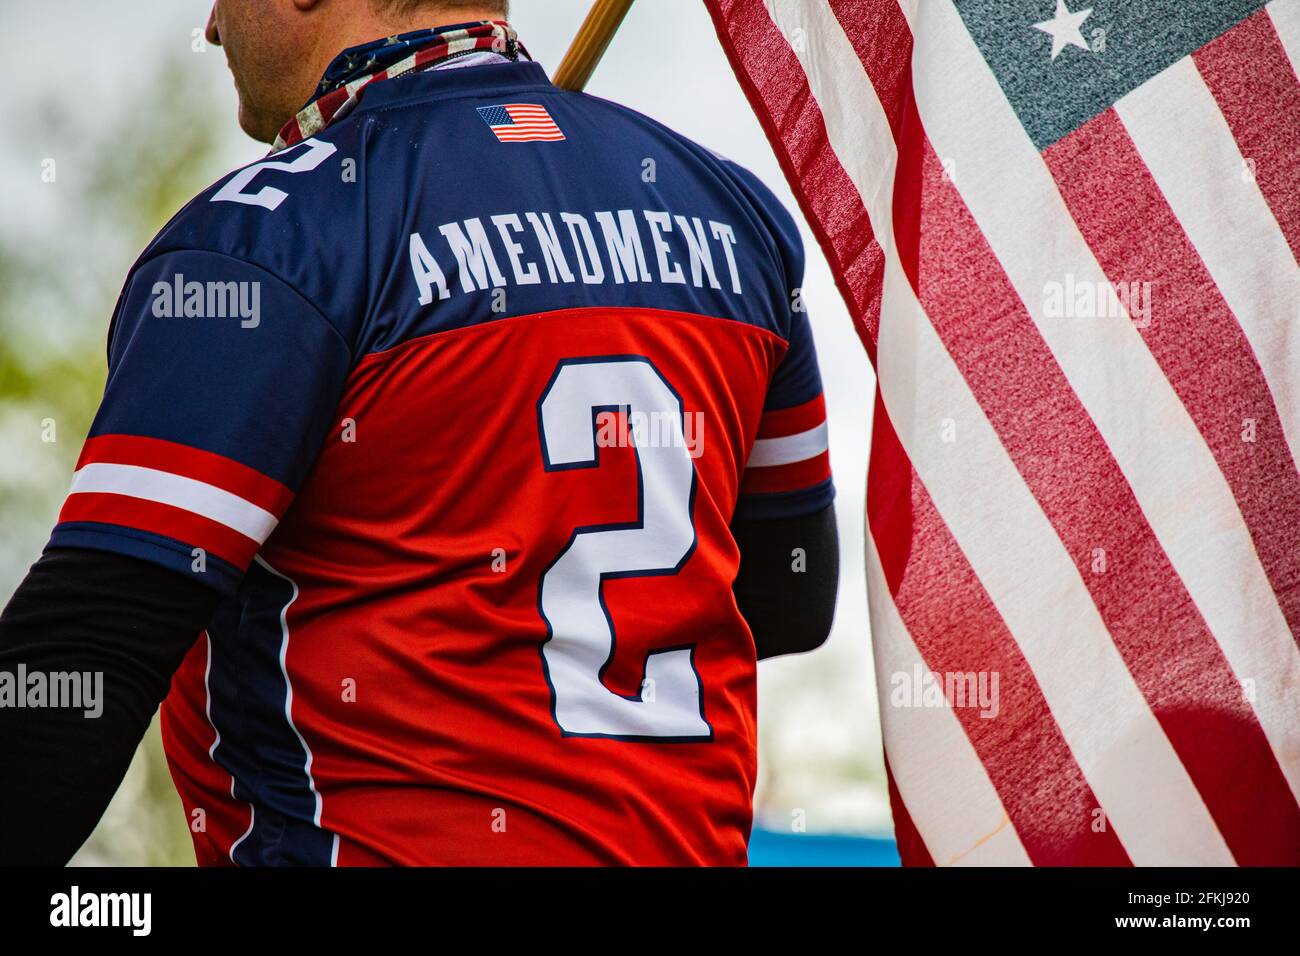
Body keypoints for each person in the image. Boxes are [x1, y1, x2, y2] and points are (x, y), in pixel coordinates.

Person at [0, 0, 837, 865]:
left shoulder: (265, 240)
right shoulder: (736, 214)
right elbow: (789, 598)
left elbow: (84, 658)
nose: (212, 25)